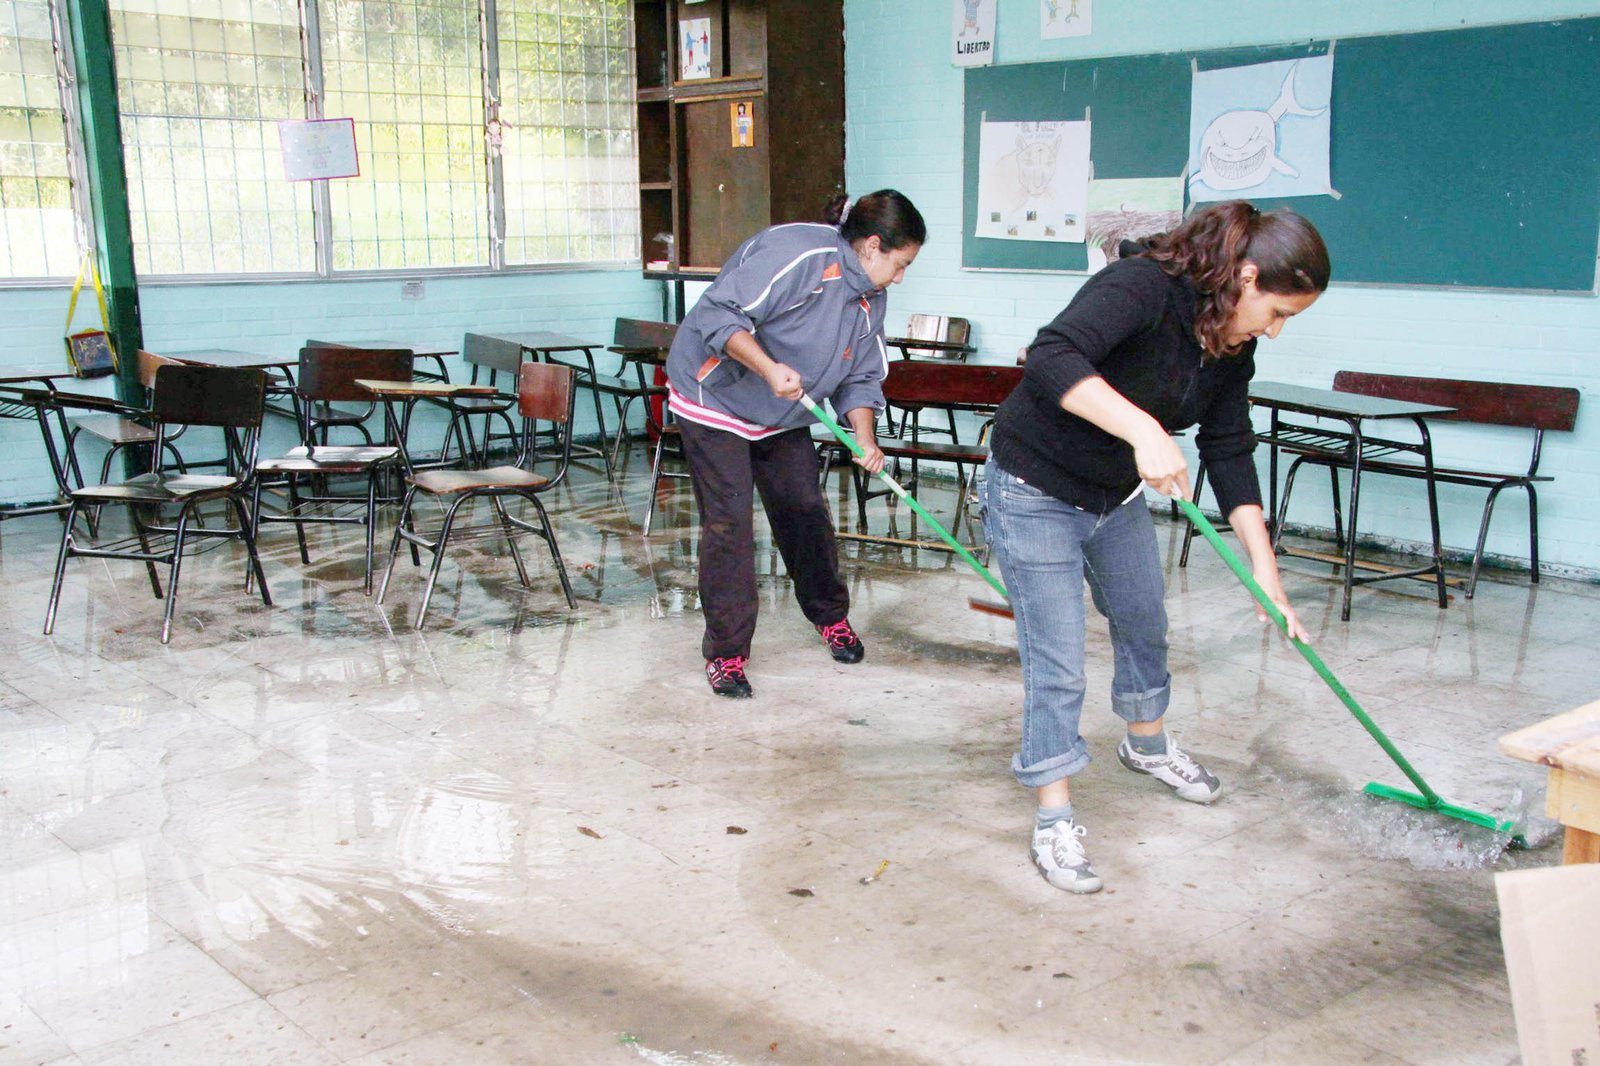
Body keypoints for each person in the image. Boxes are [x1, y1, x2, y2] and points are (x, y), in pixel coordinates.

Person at [980, 199, 1329, 894]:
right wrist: (1143, 431)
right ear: (1248, 276)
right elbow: (1052, 355)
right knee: (1058, 657)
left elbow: (1229, 446)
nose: (1278, 331)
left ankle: (1146, 745)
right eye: (1279, 311)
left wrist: (1266, 568)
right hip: (1035, 486)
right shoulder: (1141, 287)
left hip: (1115, 497)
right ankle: (1054, 816)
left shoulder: (1233, 343)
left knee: (1143, 622)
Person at [665, 189, 926, 698]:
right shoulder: (801, 258)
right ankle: (726, 654)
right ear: (872, 246)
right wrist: (766, 367)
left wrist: (864, 440)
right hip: (714, 395)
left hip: (782, 411)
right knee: (730, 522)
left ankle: (830, 616)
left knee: (803, 507)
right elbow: (717, 314)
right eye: (900, 264)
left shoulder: (872, 295)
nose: (900, 277)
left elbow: (862, 375)